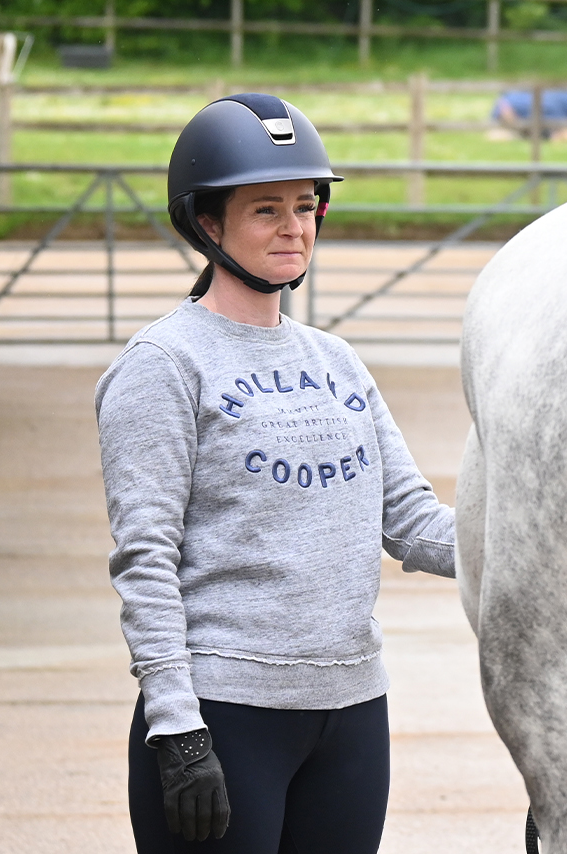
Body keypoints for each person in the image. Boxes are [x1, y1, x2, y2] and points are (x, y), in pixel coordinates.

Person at [98, 93, 455, 852]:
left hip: (353, 713)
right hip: (224, 719)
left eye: (305, 206)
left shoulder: (337, 361)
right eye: (266, 210)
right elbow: (146, 559)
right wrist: (176, 728)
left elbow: (416, 524)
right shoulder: (163, 366)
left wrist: (555, 545)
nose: (294, 228)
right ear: (207, 223)